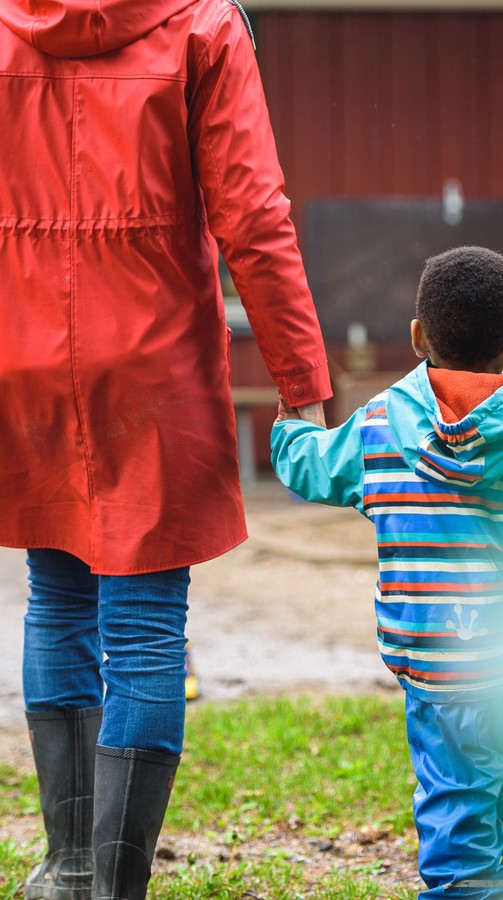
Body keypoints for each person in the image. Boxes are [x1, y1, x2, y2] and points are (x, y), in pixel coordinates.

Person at [0, 2, 330, 899]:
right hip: (151, 367)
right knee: (143, 629)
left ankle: (68, 867)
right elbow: (253, 215)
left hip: (19, 355)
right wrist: (300, 377)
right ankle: (113, 886)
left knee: (56, 595)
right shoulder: (205, 25)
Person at [272, 246, 503, 900]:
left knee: (456, 800)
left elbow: (314, 468)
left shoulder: (381, 427)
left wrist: (290, 431)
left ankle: (470, 888)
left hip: (442, 669)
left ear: (419, 336)